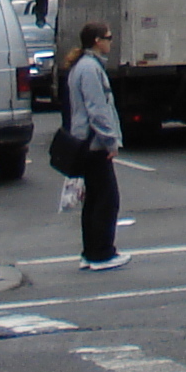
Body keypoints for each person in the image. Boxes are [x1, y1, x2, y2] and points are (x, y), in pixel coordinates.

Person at [62, 22, 128, 271]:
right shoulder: (90, 68)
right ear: (97, 41)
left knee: (94, 199)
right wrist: (110, 140)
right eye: (108, 38)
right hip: (94, 144)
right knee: (107, 199)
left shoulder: (82, 66)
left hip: (85, 143)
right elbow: (97, 109)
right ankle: (101, 253)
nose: (111, 41)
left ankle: (91, 252)